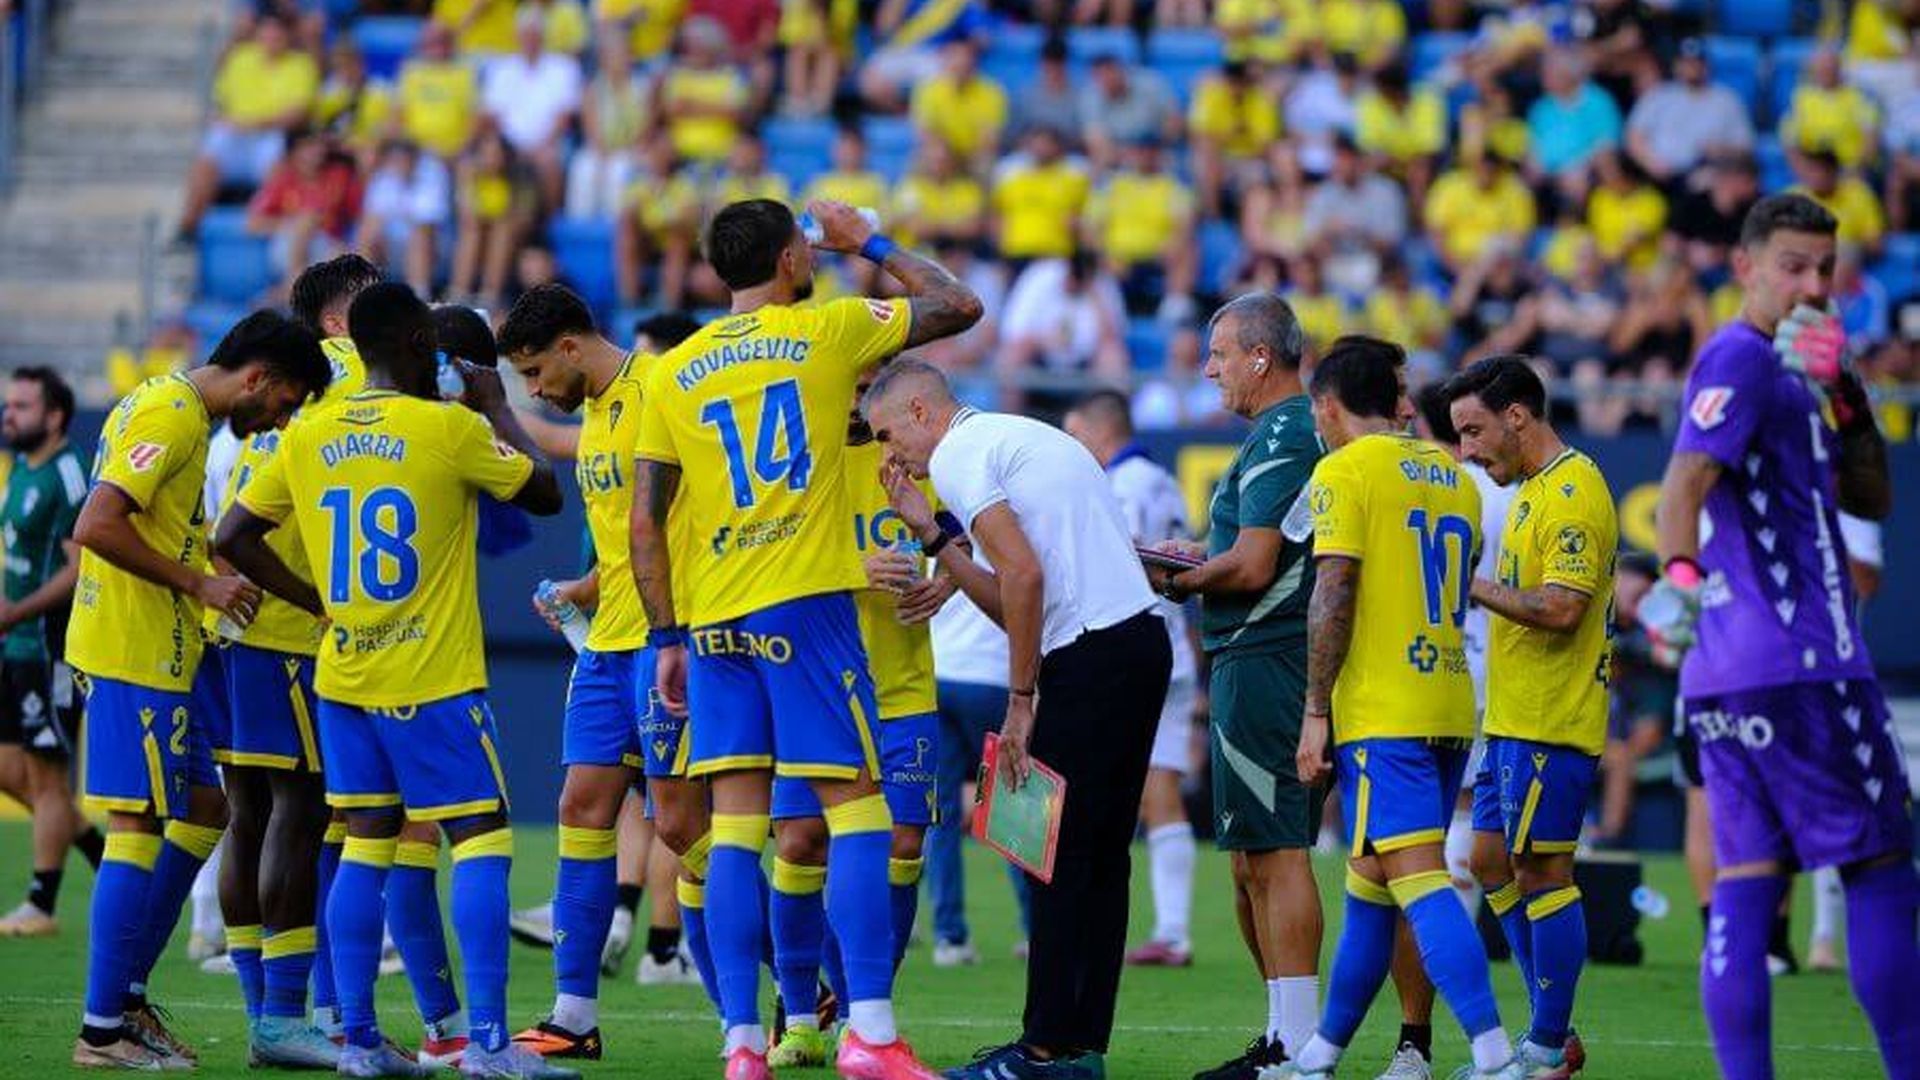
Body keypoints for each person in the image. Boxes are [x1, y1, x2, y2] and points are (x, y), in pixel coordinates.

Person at [628, 198, 980, 1078]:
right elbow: (959, 303)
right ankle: (869, 1030)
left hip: (712, 619)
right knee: (855, 808)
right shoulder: (825, 331)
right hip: (807, 604)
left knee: (738, 830)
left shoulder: (672, 371)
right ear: (792, 256)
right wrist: (871, 243)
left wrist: (667, 634)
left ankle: (743, 1043)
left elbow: (645, 519)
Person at [215, 282, 567, 1079]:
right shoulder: (445, 428)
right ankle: (487, 1046)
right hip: (432, 677)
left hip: (345, 678)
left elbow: (233, 534)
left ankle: (361, 1044)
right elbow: (544, 493)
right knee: (481, 839)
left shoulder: (308, 432)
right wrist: (493, 407)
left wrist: (320, 603)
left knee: (365, 843)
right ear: (416, 344)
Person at [1651, 193, 1916, 1080]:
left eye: (1824, 270)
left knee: (1746, 883)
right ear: (1745, 267)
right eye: (1793, 266)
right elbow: (1683, 485)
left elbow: (1870, 498)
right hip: (1805, 669)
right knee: (1882, 864)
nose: (1811, 286)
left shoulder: (1794, 373)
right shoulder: (1743, 358)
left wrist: (1845, 388)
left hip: (1723, 682)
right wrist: (1678, 581)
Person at [864, 359, 1171, 1080]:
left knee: (1048, 850)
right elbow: (1014, 595)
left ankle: (1041, 1050)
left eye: (886, 435)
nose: (889, 455)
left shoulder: (964, 454)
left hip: (1087, 655)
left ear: (919, 412)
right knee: (1099, 860)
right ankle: (1079, 1046)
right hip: (1135, 645)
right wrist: (940, 544)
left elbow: (1024, 581)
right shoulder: (1015, 437)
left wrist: (1022, 700)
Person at [68, 311, 331, 1070]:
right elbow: (98, 522)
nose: (280, 416)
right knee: (135, 824)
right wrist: (199, 583)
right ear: (258, 377)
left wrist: (202, 582)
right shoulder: (173, 415)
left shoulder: (166, 403)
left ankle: (128, 995)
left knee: (208, 805)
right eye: (284, 401)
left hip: (167, 645)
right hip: (133, 647)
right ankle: (101, 1029)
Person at [1273, 336, 1527, 1080]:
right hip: (1449, 697)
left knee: (1418, 880)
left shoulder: (1344, 468)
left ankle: (1492, 1054)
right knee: (1369, 884)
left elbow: (1335, 591)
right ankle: (1321, 1054)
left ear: (1325, 405)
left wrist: (1316, 709)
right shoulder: (1454, 477)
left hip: (1383, 708)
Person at [496, 285, 716, 1058]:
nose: (534, 390)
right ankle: (574, 1015)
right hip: (607, 645)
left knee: (684, 827)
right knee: (582, 806)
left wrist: (684, 628)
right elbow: (628, 540)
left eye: (532, 372)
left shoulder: (662, 386)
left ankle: (793, 976)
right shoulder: (593, 410)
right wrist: (581, 590)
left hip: (669, 642)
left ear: (569, 346)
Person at [289, 255, 475, 1067]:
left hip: (322, 640)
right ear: (343, 323)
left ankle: (337, 1019)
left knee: (336, 829)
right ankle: (454, 1028)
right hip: (404, 645)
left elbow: (237, 526)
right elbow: (530, 481)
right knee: (429, 832)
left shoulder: (298, 406)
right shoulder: (388, 387)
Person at [205, 268, 386, 1070]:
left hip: (233, 626)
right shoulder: (345, 373)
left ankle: (265, 1009)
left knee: (250, 815)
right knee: (304, 816)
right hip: (292, 631)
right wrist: (320, 601)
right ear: (342, 315)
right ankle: (291, 1012)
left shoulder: (280, 387)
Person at [1143, 294, 1324, 1079]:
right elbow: (1249, 551)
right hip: (1253, 655)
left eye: (1219, 353)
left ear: (1260, 356)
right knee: (1250, 856)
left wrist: (1179, 580)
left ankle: (1298, 1044)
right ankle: (1283, 1035)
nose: (1208, 368)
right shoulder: (1273, 434)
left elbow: (1252, 569)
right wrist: (1193, 554)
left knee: (1277, 852)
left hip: (1269, 656)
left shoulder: (1286, 431)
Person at [760, 367, 951, 1068]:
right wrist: (854, 567)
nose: (856, 395)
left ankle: (863, 1013)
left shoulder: (913, 453)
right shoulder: (793, 462)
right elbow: (765, 564)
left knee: (902, 845)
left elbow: (977, 532)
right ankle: (799, 1013)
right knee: (801, 842)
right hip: (817, 687)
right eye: (849, 380)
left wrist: (949, 578)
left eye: (868, 382)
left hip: (903, 689)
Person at [1444, 355, 1617, 1076]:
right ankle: (1553, 1027)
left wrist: (1468, 585)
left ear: (1517, 415)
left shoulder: (1574, 492)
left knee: (1544, 871)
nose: (1468, 451)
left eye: (1474, 430)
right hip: (1513, 720)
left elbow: (1562, 607)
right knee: (1487, 861)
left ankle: (1547, 1046)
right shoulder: (1531, 491)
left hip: (1551, 722)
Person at [1061, 391, 1199, 969]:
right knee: (1158, 790)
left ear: (1098, 430)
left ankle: (1084, 922)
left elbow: (1125, 563)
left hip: (1133, 649)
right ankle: (1172, 930)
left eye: (1074, 436)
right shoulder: (1162, 479)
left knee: (1107, 789)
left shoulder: (1123, 486)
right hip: (1171, 648)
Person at [0, 367, 101, 938]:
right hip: (14, 644)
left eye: (21, 405)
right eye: (8, 404)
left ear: (55, 415)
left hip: (47, 648)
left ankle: (41, 903)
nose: (9, 414)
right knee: (15, 772)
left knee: (45, 780)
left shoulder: (67, 474)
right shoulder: (20, 468)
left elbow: (78, 565)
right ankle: (95, 847)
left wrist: (16, 611)